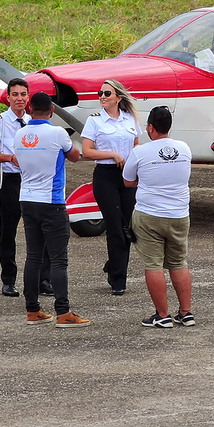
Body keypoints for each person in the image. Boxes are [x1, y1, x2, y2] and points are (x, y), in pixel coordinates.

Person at [14, 92, 88, 327]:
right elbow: (75, 156)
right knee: (58, 260)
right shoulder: (57, 133)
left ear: (29, 109)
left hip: (27, 199)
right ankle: (63, 312)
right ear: (52, 111)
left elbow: (17, 160)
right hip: (52, 201)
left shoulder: (19, 134)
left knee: (33, 257)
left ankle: (32, 310)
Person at [123, 106, 193, 329]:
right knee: (179, 263)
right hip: (180, 214)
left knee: (153, 264)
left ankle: (162, 315)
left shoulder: (140, 151)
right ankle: (186, 312)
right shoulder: (184, 149)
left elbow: (127, 181)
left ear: (151, 127)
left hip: (150, 214)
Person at [0, 77, 53, 298]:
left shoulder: (37, 121)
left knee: (42, 228)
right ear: (8, 97)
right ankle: (9, 280)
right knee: (8, 230)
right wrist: (11, 158)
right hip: (10, 180)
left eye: (23, 94)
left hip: (34, 179)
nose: (19, 99)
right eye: (15, 94)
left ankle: (43, 279)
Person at [81, 79, 140, 296]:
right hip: (105, 176)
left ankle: (113, 265)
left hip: (127, 176)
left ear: (118, 97)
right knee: (115, 226)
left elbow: (135, 144)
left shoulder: (130, 119)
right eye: (100, 93)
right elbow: (87, 151)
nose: (102, 96)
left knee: (128, 227)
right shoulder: (95, 121)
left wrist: (135, 163)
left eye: (107, 93)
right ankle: (118, 280)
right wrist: (112, 154)